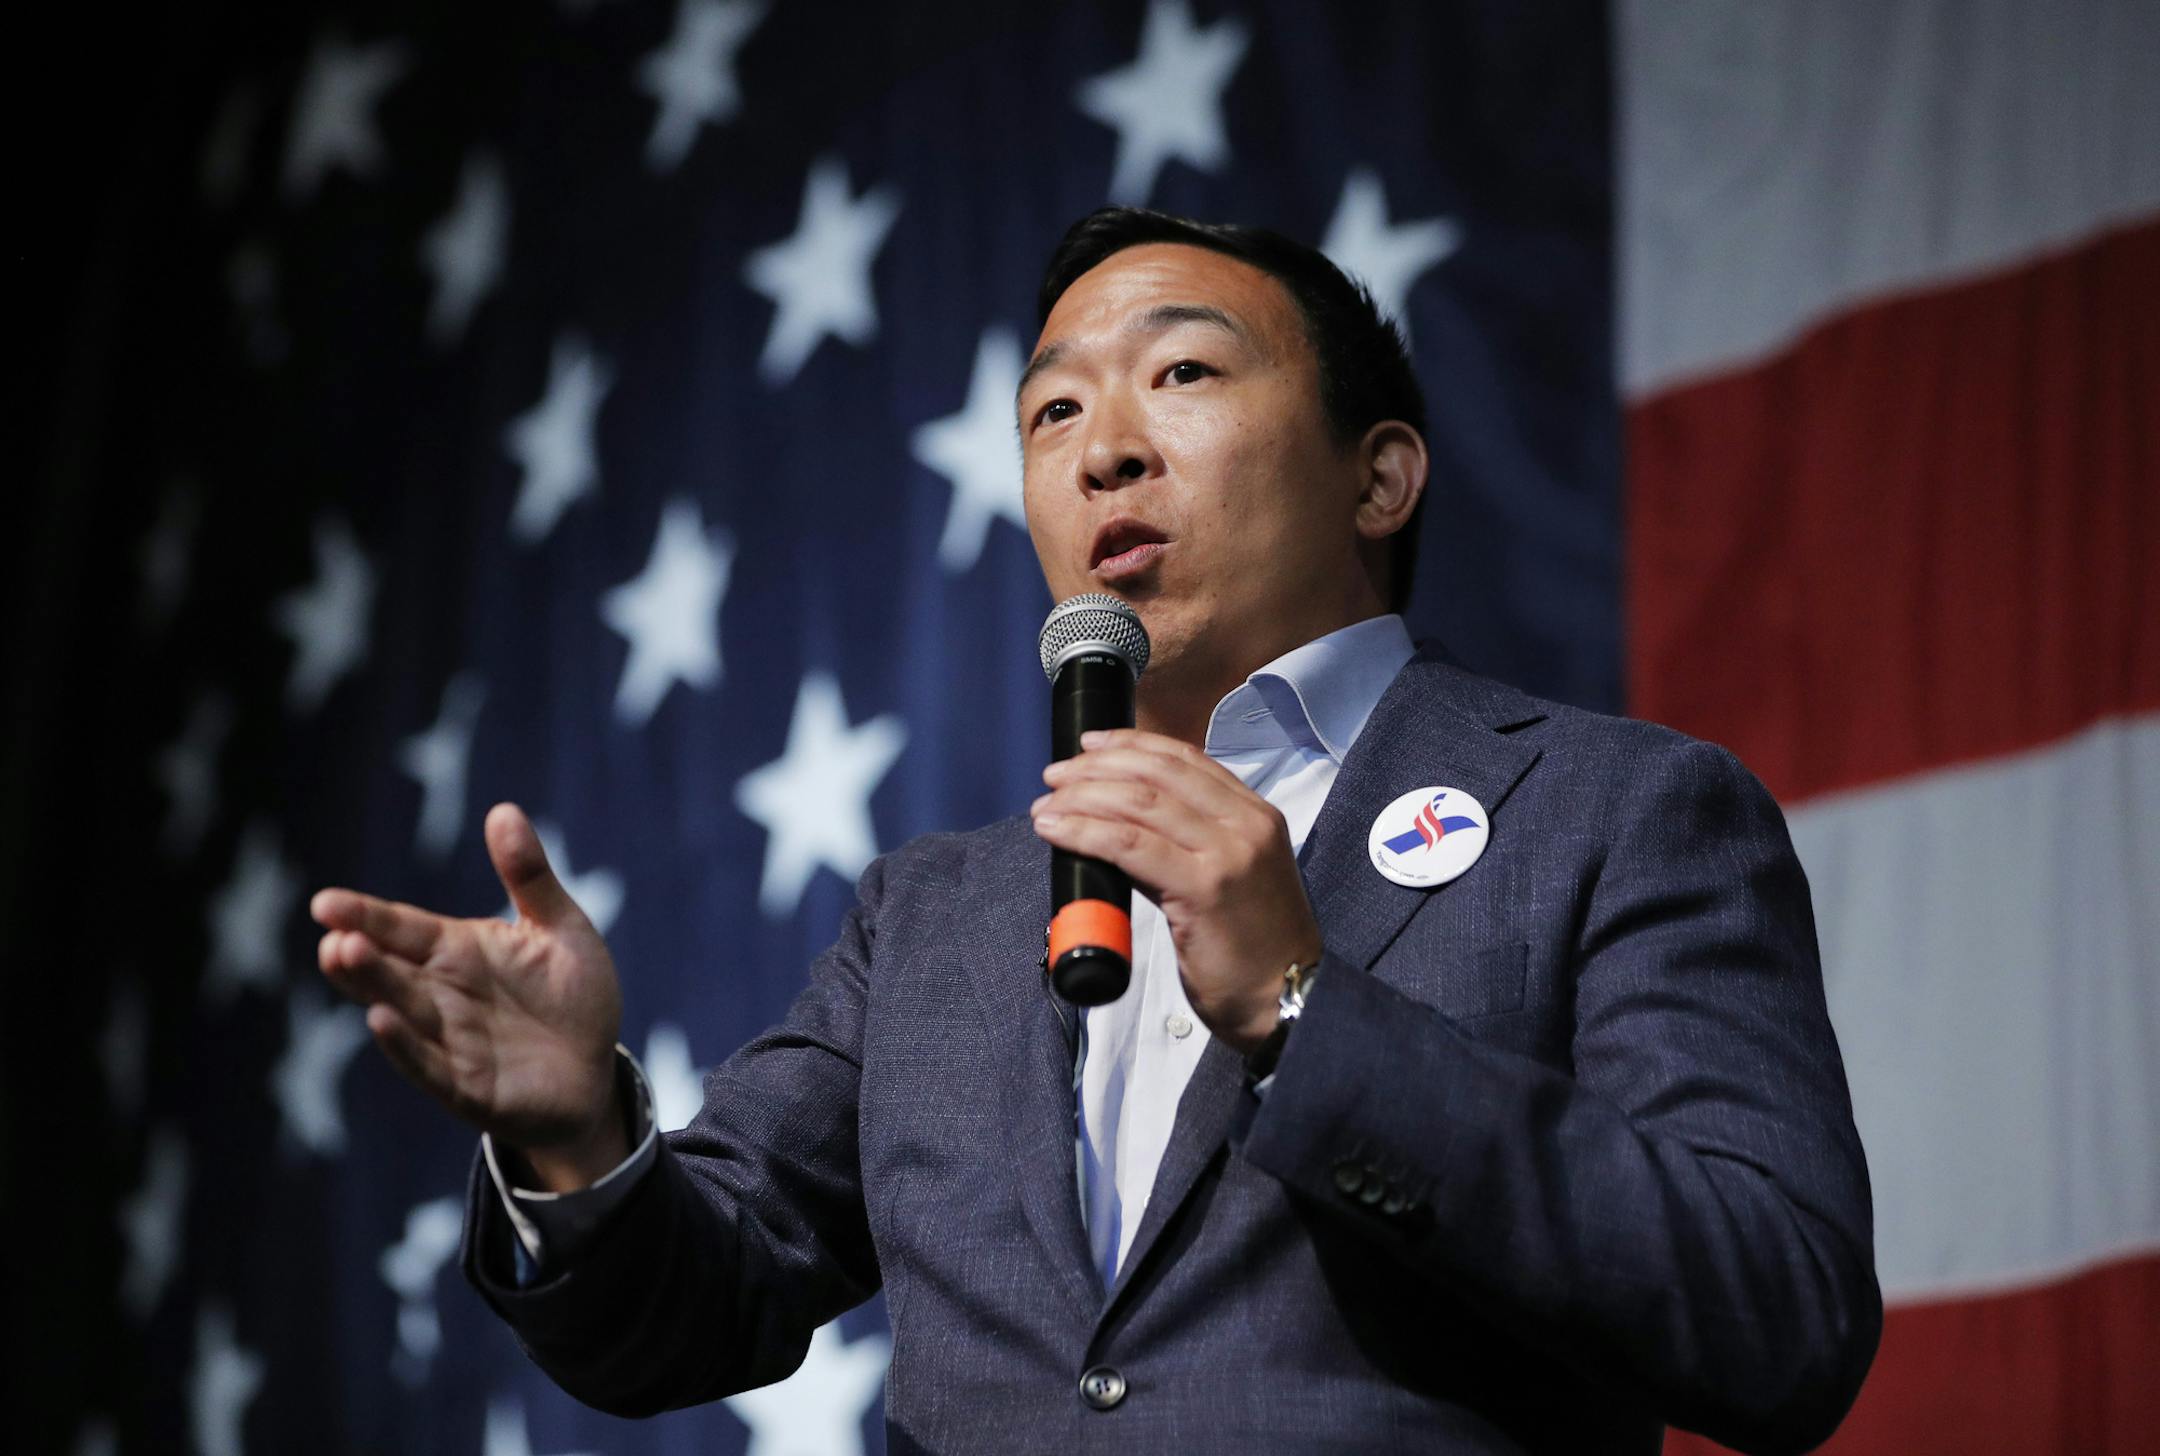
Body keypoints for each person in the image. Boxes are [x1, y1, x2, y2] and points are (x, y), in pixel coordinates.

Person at [311, 208, 1881, 1453]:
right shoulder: (930, 913)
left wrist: (1309, 1012)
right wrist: (573, 1135)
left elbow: (1780, 1319)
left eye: (1182, 375)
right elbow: (685, 1312)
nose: (1102, 446)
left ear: (1379, 475)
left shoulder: (1618, 810)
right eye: (1052, 408)